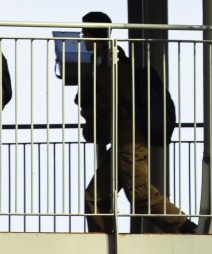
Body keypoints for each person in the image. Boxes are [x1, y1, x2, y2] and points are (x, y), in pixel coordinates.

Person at [75, 12, 189, 234]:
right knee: (95, 196)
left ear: (88, 33)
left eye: (84, 34)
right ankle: (102, 244)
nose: (84, 39)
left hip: (129, 139)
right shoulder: (111, 57)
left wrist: (85, 103)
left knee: (140, 196)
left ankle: (188, 228)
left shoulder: (108, 60)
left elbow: (108, 99)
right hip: (123, 139)